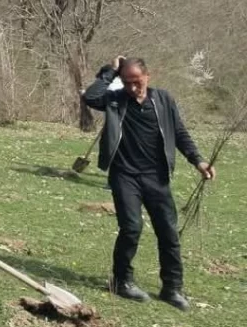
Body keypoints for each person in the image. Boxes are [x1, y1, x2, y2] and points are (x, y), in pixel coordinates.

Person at [83, 56, 214, 311]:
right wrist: (111, 71)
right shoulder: (115, 99)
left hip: (157, 177)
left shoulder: (163, 100)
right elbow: (90, 96)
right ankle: (122, 282)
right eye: (127, 82)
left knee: (168, 232)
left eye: (137, 82)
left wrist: (198, 161)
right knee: (131, 228)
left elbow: (179, 133)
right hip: (125, 176)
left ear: (148, 76)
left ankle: (172, 288)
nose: (132, 88)